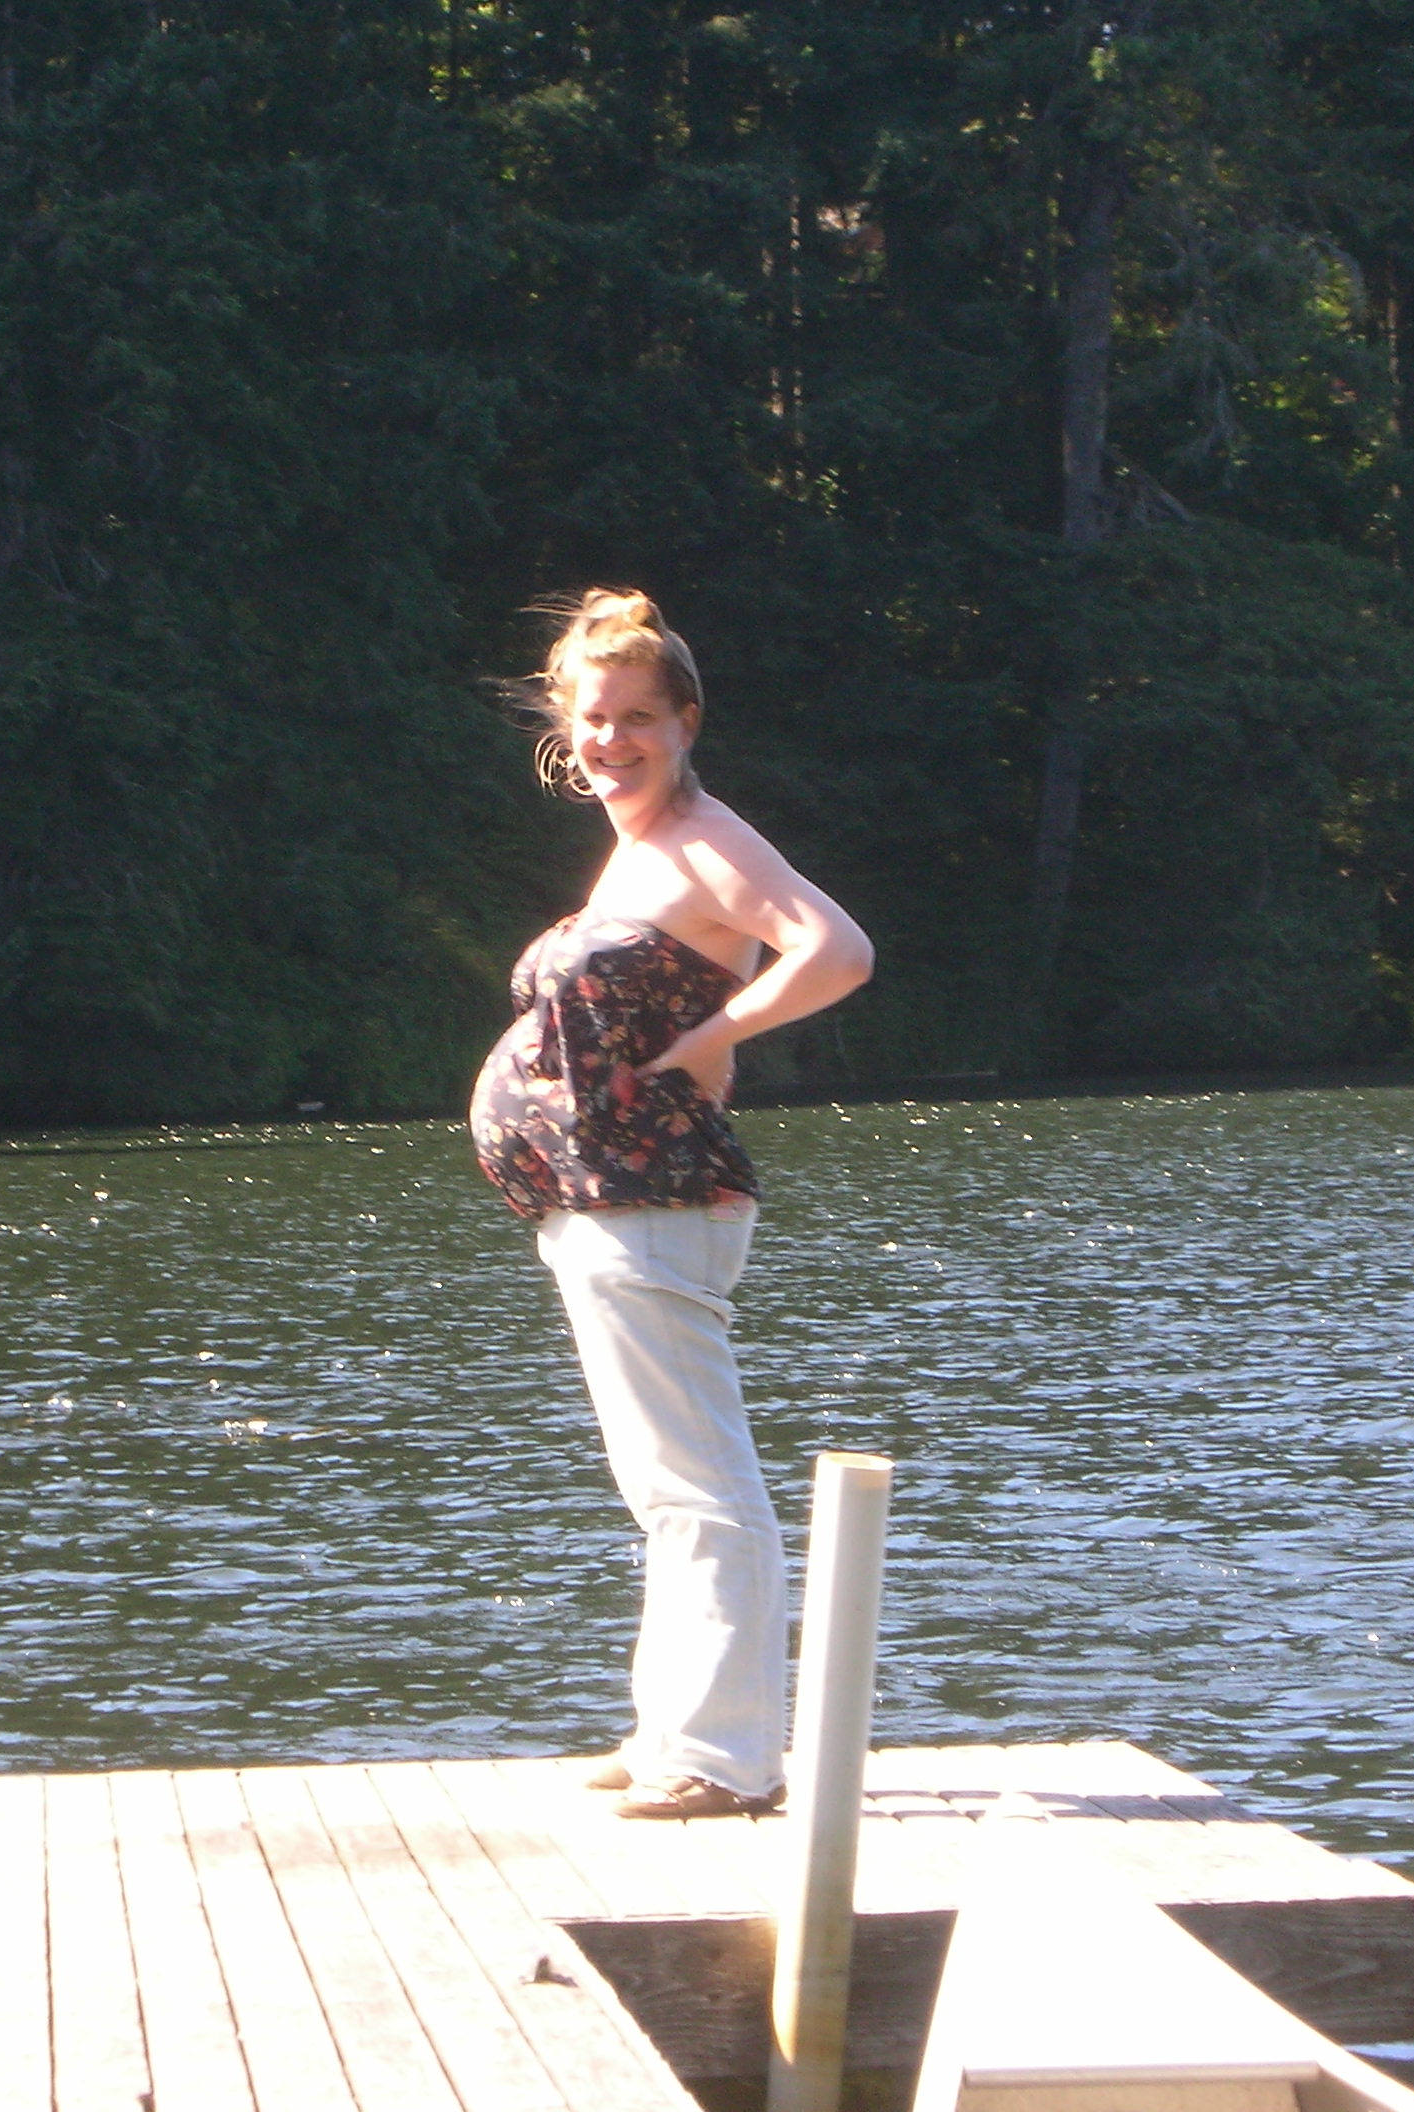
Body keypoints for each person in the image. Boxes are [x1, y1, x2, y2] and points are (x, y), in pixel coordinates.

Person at [469, 590, 874, 1819]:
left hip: (655, 1202)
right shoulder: (638, 846)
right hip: (604, 1205)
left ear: (686, 721)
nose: (610, 740)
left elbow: (836, 949)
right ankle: (669, 1731)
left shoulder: (703, 839)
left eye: (637, 718)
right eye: (592, 718)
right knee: (662, 1485)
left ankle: (724, 1758)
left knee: (700, 1485)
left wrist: (715, 1036)